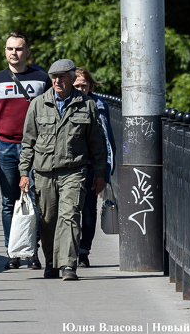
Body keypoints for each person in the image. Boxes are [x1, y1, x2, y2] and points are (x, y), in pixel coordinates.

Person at [18, 59, 107, 281]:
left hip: (73, 171)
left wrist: (100, 174)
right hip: (44, 172)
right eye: (53, 77)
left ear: (71, 78)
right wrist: (23, 173)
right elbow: (28, 142)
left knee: (70, 216)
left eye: (62, 77)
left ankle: (68, 264)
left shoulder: (87, 105)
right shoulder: (38, 104)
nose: (57, 81)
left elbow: (97, 144)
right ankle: (51, 262)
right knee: (48, 220)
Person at [0, 31, 51, 269]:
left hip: (37, 147)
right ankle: (13, 252)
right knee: (9, 201)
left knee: (37, 200)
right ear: (5, 51)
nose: (14, 53)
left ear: (27, 52)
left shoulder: (42, 79)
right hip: (5, 147)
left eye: (18, 49)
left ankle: (32, 252)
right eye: (10, 49)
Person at [73, 67, 116, 267]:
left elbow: (108, 138)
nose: (81, 89)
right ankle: (69, 251)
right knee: (69, 210)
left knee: (89, 210)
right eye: (77, 86)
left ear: (90, 85)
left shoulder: (99, 104)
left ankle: (83, 252)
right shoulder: (64, 103)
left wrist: (106, 170)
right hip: (71, 166)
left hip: (92, 166)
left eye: (84, 85)